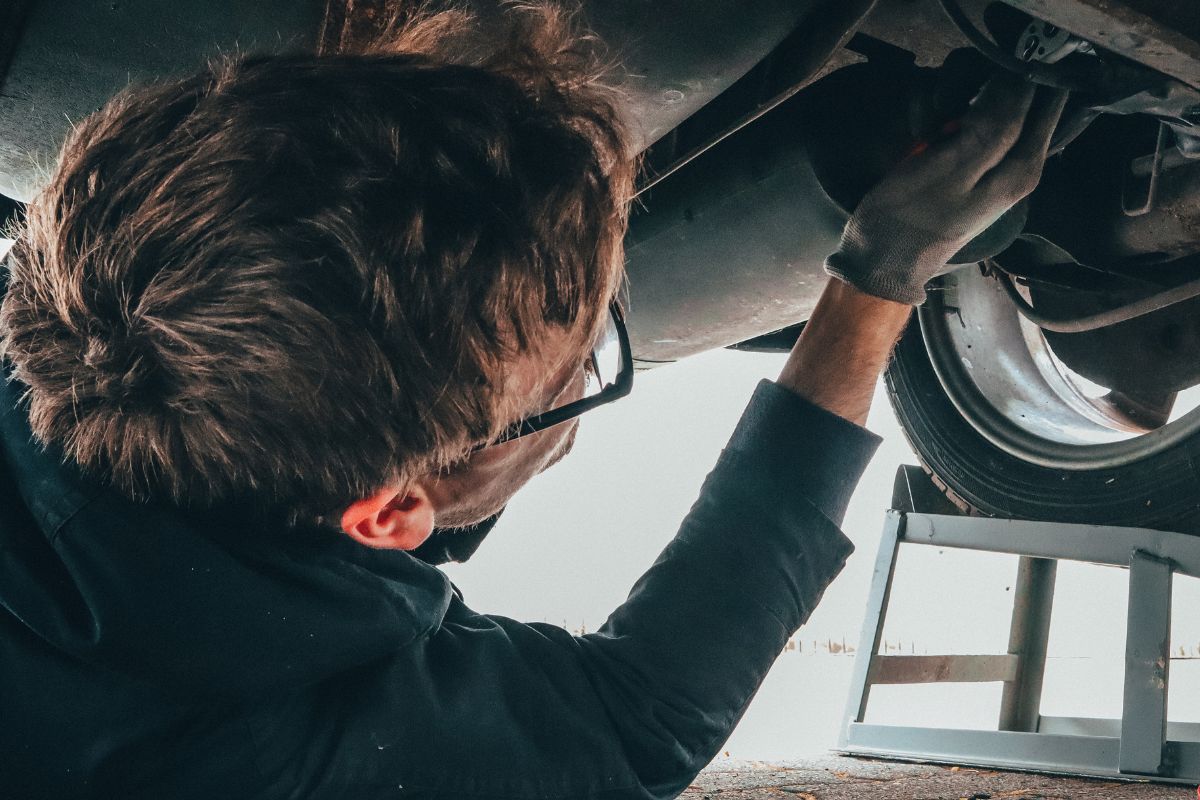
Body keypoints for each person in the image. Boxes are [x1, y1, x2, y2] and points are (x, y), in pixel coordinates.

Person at [0, 5, 1066, 798]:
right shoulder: (252, 757)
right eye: (581, 364)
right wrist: (877, 278)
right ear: (388, 514)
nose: (585, 356)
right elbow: (641, 714)